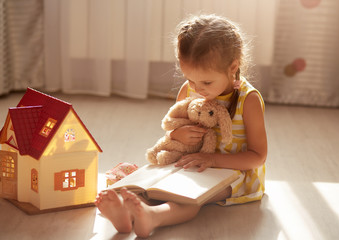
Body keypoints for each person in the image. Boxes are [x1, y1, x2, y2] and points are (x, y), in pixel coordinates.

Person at [95, 14, 267, 238]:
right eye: (190, 79)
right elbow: (173, 129)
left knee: (188, 197)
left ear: (233, 67)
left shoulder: (249, 99)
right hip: (192, 164)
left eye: (206, 82)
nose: (197, 88)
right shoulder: (189, 89)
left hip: (236, 175)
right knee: (153, 185)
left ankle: (154, 216)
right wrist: (177, 134)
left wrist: (213, 159)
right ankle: (127, 213)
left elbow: (257, 156)